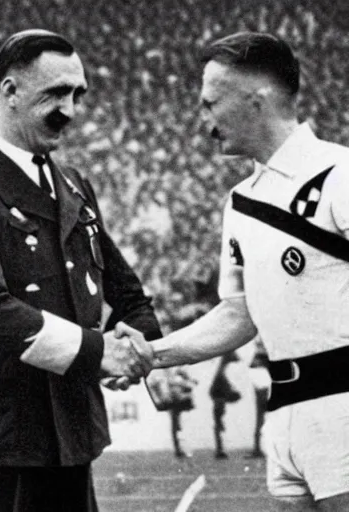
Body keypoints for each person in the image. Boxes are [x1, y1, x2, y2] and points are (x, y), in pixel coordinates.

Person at [0, 29, 160, 512]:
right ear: (9, 92)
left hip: (68, 430)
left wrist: (145, 348)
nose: (69, 110)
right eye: (55, 93)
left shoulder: (74, 185)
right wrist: (100, 354)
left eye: (77, 95)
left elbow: (125, 292)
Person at [117, 32, 349, 511]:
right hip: (284, 414)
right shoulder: (241, 203)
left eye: (211, 105)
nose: (204, 122)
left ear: (256, 100)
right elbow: (239, 314)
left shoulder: (339, 174)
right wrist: (151, 354)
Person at [208, 350, 240, 459]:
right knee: (219, 424)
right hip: (219, 399)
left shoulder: (221, 372)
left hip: (219, 398)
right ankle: (220, 449)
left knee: (219, 424)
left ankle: (220, 449)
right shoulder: (222, 373)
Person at [246, 335, 270, 459]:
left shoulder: (261, 358)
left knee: (261, 418)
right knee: (261, 419)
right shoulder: (262, 357)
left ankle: (258, 448)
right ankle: (258, 448)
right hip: (262, 388)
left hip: (263, 389)